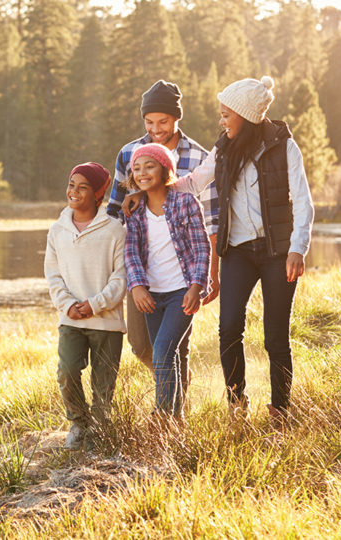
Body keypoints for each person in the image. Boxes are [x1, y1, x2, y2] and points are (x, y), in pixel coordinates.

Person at [173, 76, 314, 427]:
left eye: (226, 115)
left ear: (246, 116)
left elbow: (303, 201)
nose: (221, 121)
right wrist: (151, 186)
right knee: (229, 328)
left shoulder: (284, 148)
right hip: (237, 251)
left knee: (275, 336)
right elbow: (194, 182)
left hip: (278, 252)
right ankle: (237, 402)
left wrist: (298, 248)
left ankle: (280, 410)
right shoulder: (223, 149)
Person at [106, 80, 220, 401]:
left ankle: (170, 413)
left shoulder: (198, 156)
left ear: (177, 118)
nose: (156, 129)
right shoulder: (128, 154)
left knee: (172, 346)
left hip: (183, 273)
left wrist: (210, 276)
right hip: (143, 272)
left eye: (163, 122)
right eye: (149, 122)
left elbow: (212, 220)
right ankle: (174, 392)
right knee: (143, 346)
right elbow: (115, 212)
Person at [122, 144, 210, 421]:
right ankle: (176, 419)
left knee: (162, 351)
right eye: (137, 168)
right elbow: (131, 252)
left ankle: (161, 417)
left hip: (181, 293)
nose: (142, 173)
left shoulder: (186, 203)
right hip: (152, 296)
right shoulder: (135, 210)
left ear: (165, 169)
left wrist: (196, 287)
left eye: (149, 166)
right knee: (167, 355)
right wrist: (137, 286)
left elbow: (201, 248)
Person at [44, 162, 127, 449]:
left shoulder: (114, 230)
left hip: (107, 321)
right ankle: (79, 423)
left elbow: (120, 278)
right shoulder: (57, 230)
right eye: (71, 185)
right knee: (67, 371)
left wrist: (94, 305)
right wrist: (68, 305)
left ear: (98, 194)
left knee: (104, 384)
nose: (74, 192)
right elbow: (53, 274)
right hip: (71, 319)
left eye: (83, 187)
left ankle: (101, 433)